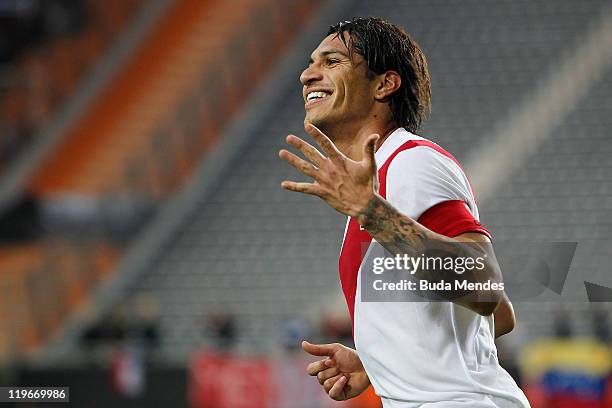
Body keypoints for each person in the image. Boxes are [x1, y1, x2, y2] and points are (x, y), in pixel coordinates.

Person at [278, 17, 530, 408]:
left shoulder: (411, 163)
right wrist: (379, 361)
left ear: (384, 84)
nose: (307, 75)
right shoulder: (378, 179)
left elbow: (483, 285)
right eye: (311, 63)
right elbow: (501, 316)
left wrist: (370, 211)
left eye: (331, 62)